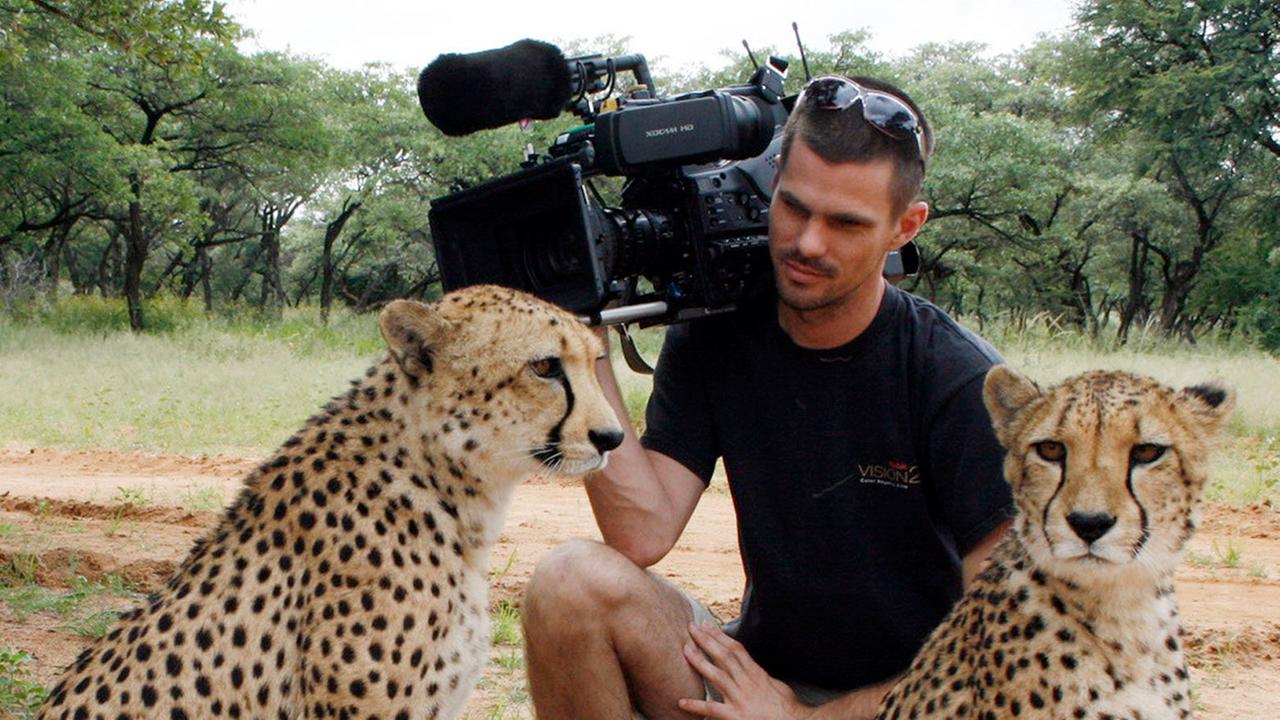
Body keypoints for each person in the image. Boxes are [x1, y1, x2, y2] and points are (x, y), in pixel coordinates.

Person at [521, 74, 1014, 720]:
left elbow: (997, 651)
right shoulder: (717, 330)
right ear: (775, 178)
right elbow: (641, 530)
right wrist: (581, 351)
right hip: (757, 686)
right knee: (568, 584)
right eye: (795, 207)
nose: (808, 243)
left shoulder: (958, 379)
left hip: (903, 701)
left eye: (845, 223)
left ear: (905, 226)